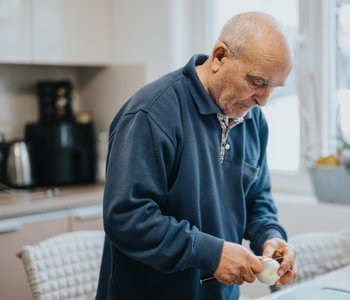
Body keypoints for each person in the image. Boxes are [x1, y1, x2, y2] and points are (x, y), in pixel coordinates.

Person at [96, 11, 298, 300]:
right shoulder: (151, 114)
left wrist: (271, 237)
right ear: (219, 57)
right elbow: (127, 218)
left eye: (274, 87)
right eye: (257, 81)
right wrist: (211, 253)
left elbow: (257, 200)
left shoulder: (252, 119)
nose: (264, 101)